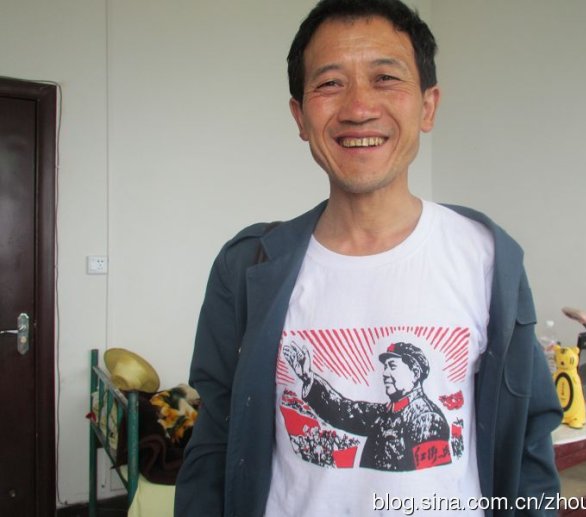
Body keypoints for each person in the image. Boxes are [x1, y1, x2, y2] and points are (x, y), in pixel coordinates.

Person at [174, 0, 562, 516]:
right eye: (330, 83)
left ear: (428, 106)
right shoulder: (247, 267)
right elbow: (215, 445)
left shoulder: (487, 258)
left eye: (385, 78)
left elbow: (529, 444)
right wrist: (308, 380)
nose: (358, 108)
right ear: (300, 116)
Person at [284, 340, 451, 471]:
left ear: (415, 373)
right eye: (385, 367)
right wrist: (308, 378)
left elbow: (433, 479)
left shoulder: (428, 418)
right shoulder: (382, 413)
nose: (385, 373)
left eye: (392, 366)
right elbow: (342, 411)